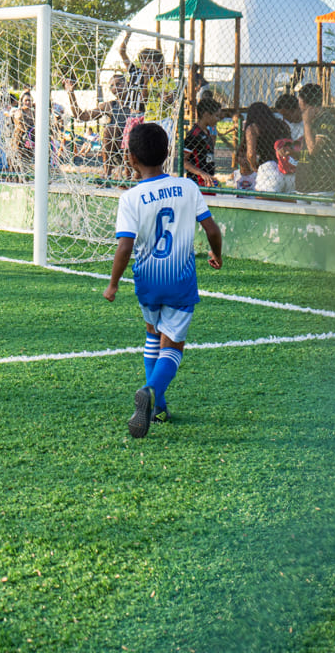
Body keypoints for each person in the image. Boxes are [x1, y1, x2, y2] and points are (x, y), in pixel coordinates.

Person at [104, 122, 224, 438]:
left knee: (152, 334)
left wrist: (113, 284)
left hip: (147, 282)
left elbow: (125, 246)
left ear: (130, 158)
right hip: (180, 282)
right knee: (173, 345)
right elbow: (212, 229)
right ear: (168, 152)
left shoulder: (130, 198)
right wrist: (216, 254)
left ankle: (158, 408)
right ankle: (152, 391)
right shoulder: (188, 187)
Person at [65, 75, 129, 179]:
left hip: (135, 147)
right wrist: (71, 94)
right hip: (117, 148)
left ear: (127, 84)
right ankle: (107, 173)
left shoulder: (137, 103)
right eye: (112, 86)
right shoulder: (110, 106)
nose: (115, 88)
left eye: (118, 84)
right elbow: (81, 116)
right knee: (109, 130)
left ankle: (128, 174)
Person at [295, 83, 335, 195]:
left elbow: (313, 150)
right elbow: (305, 152)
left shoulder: (326, 120)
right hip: (303, 184)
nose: (300, 108)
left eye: (301, 104)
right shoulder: (312, 120)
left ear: (308, 105)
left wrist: (306, 123)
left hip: (320, 185)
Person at [236, 101, 291, 194]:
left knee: (264, 199)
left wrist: (254, 167)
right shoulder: (282, 124)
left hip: (268, 167)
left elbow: (251, 154)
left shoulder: (253, 128)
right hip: (287, 166)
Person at [181, 96, 222, 187]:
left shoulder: (207, 132)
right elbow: (183, 161)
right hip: (197, 183)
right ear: (206, 115)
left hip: (207, 182)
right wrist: (201, 173)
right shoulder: (194, 135)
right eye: (216, 116)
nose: (218, 119)